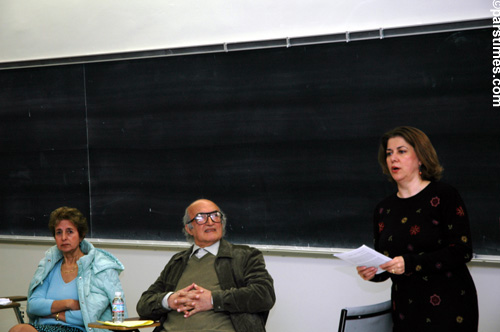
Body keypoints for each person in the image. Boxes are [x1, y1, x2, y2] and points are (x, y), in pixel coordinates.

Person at [356, 126, 478, 332]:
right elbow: (388, 263)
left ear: (420, 157)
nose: (393, 158)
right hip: (406, 310)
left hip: (449, 308)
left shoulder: (443, 195)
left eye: (401, 151)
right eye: (389, 153)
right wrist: (373, 271)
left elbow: (461, 250)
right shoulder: (383, 209)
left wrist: (410, 263)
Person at [136, 199, 276, 332]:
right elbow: (143, 305)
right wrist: (170, 300)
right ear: (189, 228)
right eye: (201, 218)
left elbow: (264, 295)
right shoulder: (177, 261)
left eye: (215, 216)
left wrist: (213, 300)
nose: (210, 222)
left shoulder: (245, 256)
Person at [9, 207, 127, 332]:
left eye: (69, 232)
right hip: (44, 327)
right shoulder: (49, 266)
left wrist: (53, 314)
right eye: (59, 232)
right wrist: (68, 303)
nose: (64, 237)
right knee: (18, 329)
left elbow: (88, 316)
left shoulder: (98, 268)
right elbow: (33, 306)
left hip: (80, 329)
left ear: (81, 236)